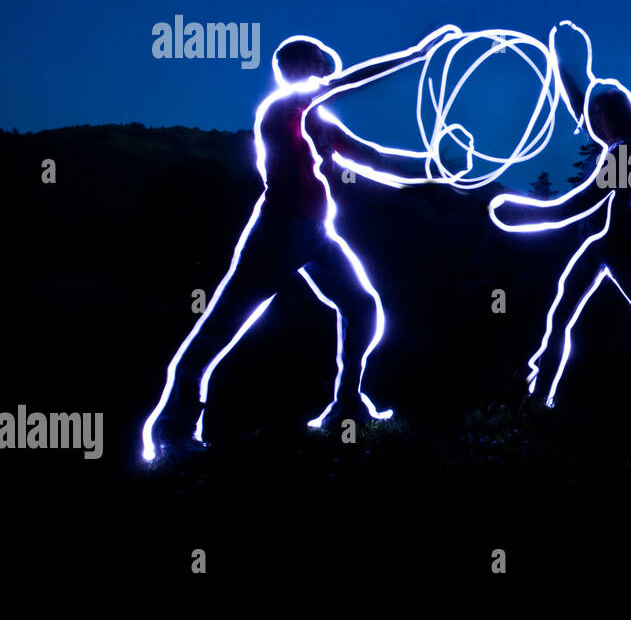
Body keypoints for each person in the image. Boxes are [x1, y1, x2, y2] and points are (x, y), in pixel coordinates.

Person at [141, 26, 458, 460]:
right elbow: (347, 83)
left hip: (316, 234)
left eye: (323, 63)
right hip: (277, 231)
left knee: (362, 305)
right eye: (315, 62)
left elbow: (376, 160)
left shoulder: (319, 121)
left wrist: (437, 167)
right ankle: (173, 434)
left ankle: (346, 406)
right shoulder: (281, 108)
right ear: (294, 69)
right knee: (220, 329)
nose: (324, 68)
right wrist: (417, 54)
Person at [488, 34, 631, 408]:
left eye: (602, 114)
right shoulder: (608, 146)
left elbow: (583, 201)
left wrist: (524, 213)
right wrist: (557, 63)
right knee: (560, 317)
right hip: (598, 244)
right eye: (594, 115)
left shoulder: (629, 152)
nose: (594, 120)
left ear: (618, 117)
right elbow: (578, 105)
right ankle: (538, 397)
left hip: (622, 243)